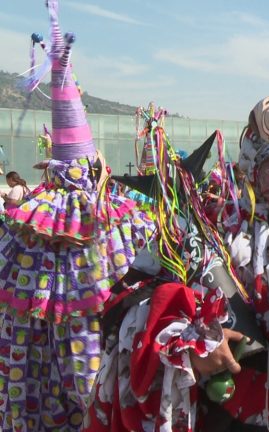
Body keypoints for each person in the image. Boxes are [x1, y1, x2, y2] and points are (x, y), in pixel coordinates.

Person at [86, 91, 269, 431]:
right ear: (251, 158)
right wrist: (189, 345)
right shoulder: (204, 224)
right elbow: (127, 304)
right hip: (222, 413)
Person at [0, 2, 154, 428]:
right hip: (95, 382)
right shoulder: (118, 222)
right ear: (92, 168)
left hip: (32, 391)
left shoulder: (22, 229)